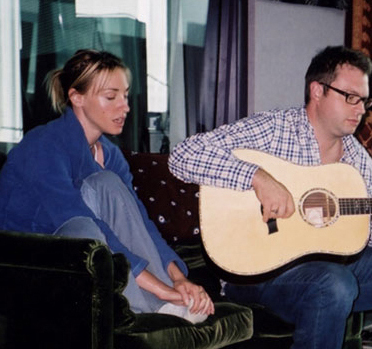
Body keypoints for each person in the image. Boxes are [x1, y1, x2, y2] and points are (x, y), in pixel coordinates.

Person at [168, 46, 372, 348]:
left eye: (365, 100)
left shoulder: (357, 160)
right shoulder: (276, 129)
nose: (361, 110)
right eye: (351, 97)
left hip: (328, 268)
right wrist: (258, 178)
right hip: (255, 273)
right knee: (333, 282)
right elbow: (183, 155)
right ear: (318, 91)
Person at [0, 49, 214, 322]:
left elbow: (140, 223)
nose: (124, 107)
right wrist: (162, 290)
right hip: (28, 262)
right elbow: (81, 222)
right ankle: (153, 309)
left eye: (125, 96)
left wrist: (178, 280)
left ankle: (166, 307)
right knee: (85, 227)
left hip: (85, 253)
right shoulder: (43, 145)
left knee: (107, 183)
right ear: (76, 97)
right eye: (111, 97)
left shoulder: (110, 155)